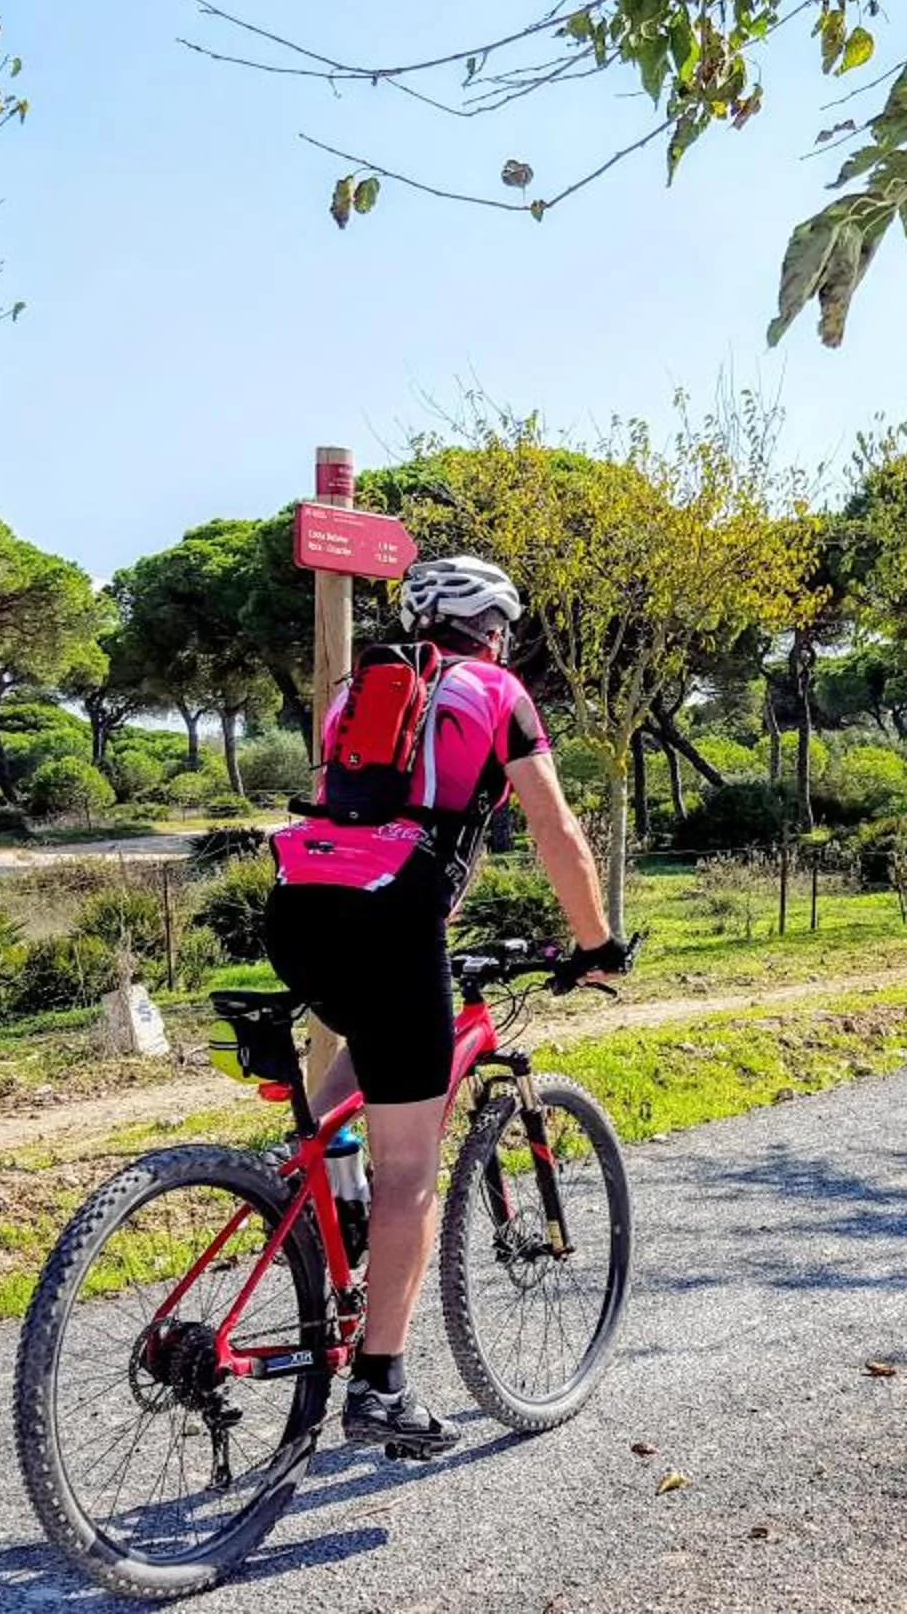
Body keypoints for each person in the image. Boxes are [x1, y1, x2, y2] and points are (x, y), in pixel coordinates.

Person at [262, 554, 625, 1456]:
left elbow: (368, 814)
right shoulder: (497, 690)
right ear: (493, 628)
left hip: (300, 906)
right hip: (391, 919)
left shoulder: (361, 691)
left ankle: (307, 1161)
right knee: (412, 1171)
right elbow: (554, 826)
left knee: (376, 1035)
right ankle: (381, 1383)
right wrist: (595, 943)